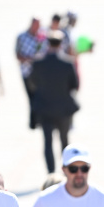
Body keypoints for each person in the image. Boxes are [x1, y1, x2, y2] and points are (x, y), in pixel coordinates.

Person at [28, 31, 79, 173]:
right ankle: (66, 171)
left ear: (47, 43)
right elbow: (74, 84)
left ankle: (51, 173)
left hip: (45, 108)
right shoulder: (68, 62)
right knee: (64, 141)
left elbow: (32, 84)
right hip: (63, 109)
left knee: (48, 142)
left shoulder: (38, 63)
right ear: (61, 43)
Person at [15, 17, 46, 130]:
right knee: (31, 97)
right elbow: (17, 55)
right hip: (27, 72)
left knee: (39, 97)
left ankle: (38, 121)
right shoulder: (22, 37)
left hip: (40, 73)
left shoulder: (42, 37)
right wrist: (29, 59)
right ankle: (33, 123)